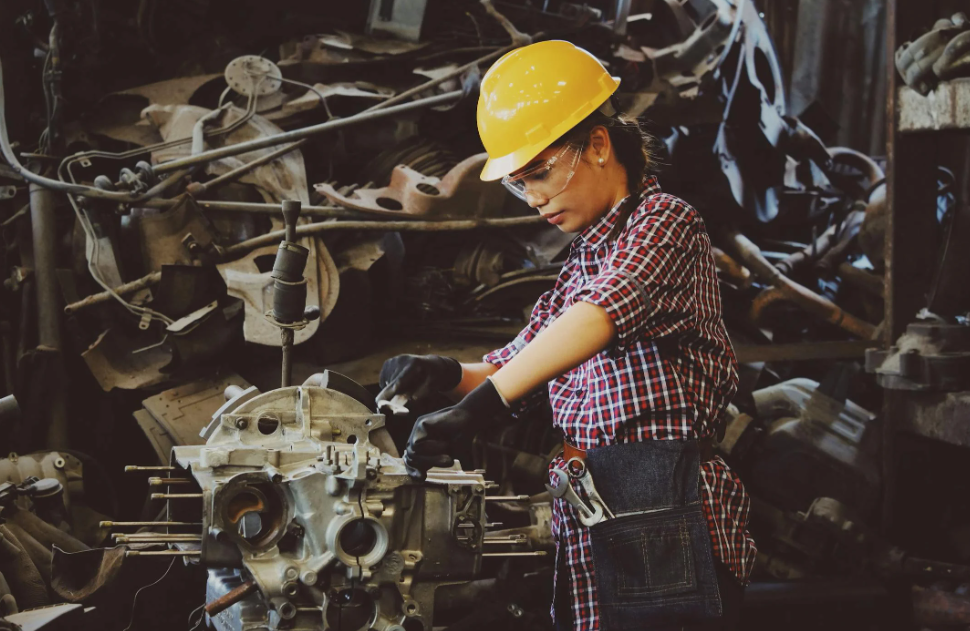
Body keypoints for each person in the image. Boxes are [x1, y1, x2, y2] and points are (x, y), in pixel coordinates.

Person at [377, 40, 756, 631]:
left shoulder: (667, 224)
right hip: (599, 507)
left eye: (541, 172)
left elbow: (597, 318)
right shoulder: (582, 262)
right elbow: (520, 362)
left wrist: (478, 407)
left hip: (664, 508)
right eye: (519, 183)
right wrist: (445, 373)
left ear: (599, 145)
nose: (533, 199)